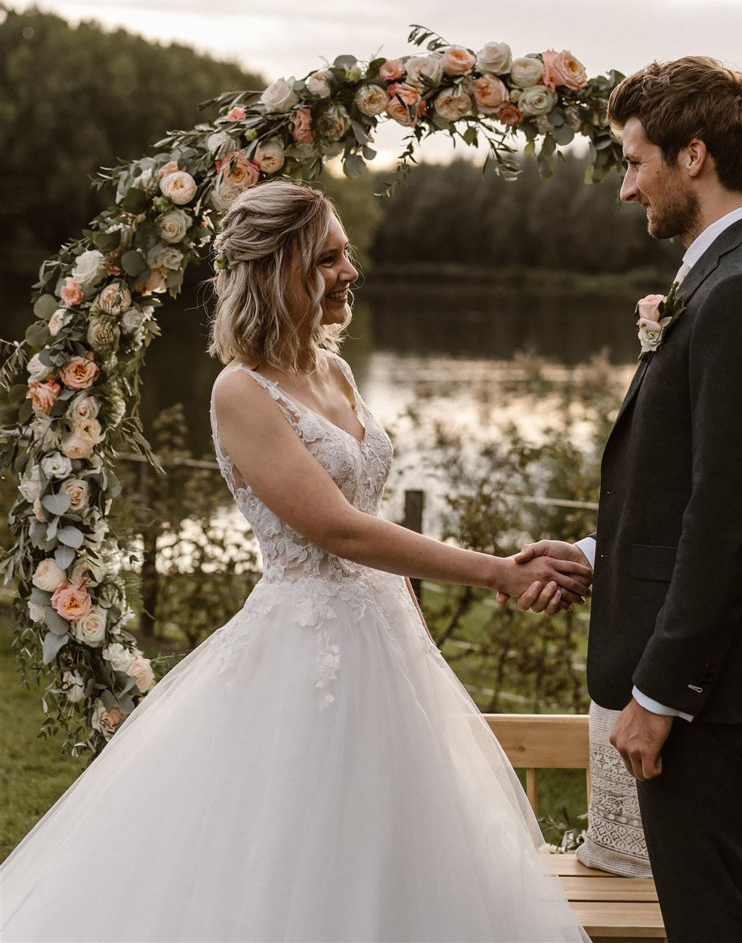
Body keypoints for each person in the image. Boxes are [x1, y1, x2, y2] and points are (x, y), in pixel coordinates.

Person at [1, 180, 592, 943]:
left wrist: (416, 631)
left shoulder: (335, 371)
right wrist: (498, 572)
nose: (350, 272)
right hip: (304, 650)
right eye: (329, 258)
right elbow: (342, 531)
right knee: (302, 846)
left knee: (408, 839)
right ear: (278, 269)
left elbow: (367, 521)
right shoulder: (240, 392)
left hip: (387, 642)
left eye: (346, 254)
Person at [507, 56, 742, 943]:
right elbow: (693, 487)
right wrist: (600, 558)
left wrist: (661, 695)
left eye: (634, 160)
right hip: (712, 684)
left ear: (693, 155)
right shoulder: (734, 276)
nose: (624, 188)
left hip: (708, 692)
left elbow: (729, 520)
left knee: (718, 924)